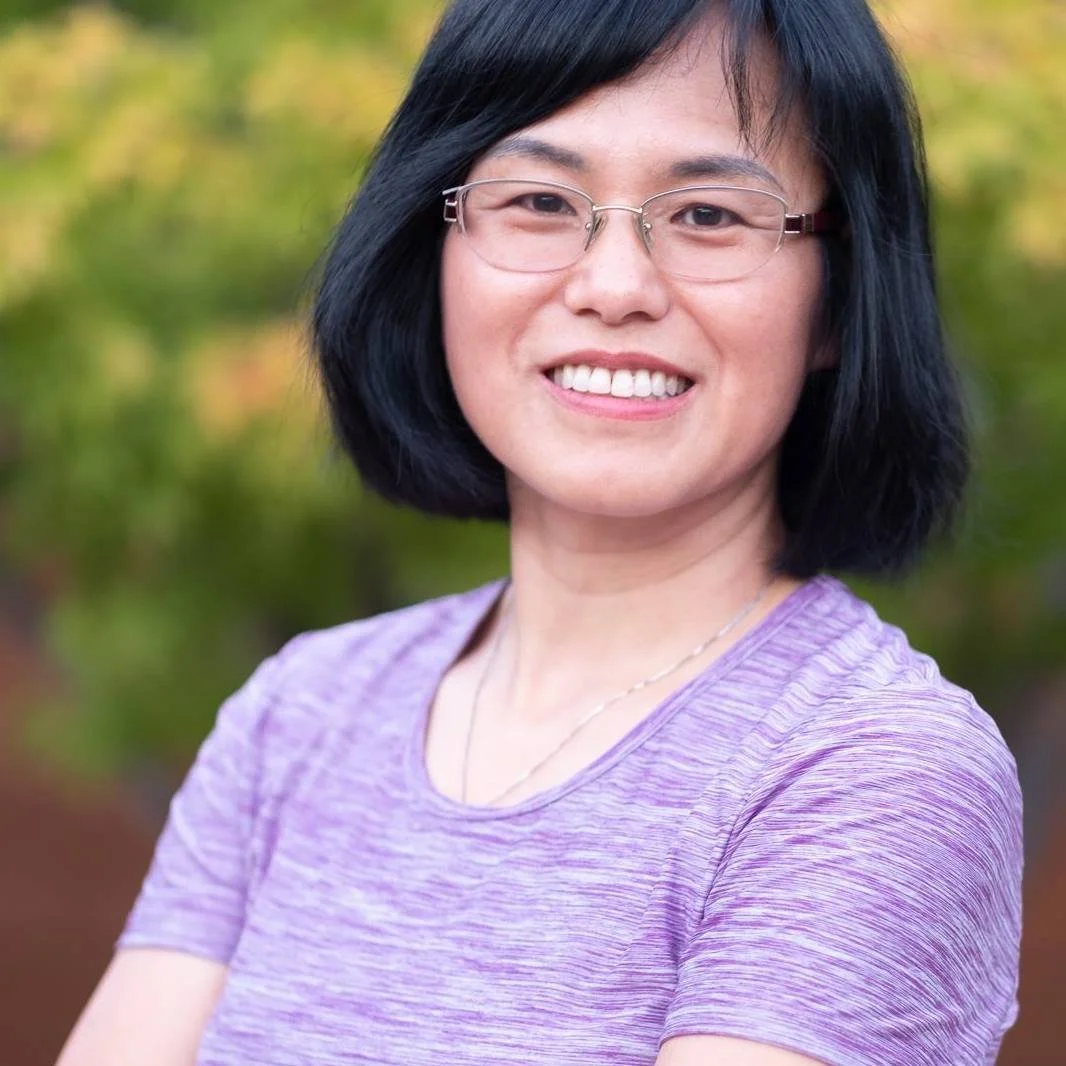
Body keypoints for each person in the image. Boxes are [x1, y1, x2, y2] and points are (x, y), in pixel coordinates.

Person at [57, 0, 1023, 1063]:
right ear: (433, 247)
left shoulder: (870, 767)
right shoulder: (301, 715)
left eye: (708, 214)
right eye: (538, 201)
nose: (614, 285)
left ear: (837, 298)